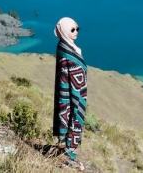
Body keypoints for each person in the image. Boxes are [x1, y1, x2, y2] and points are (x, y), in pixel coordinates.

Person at [52, 17, 87, 170]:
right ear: (63, 31)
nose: (76, 32)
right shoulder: (66, 51)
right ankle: (69, 156)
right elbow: (70, 74)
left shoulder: (66, 47)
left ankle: (69, 151)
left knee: (74, 118)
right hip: (73, 94)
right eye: (72, 30)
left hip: (76, 91)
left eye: (77, 28)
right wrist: (76, 97)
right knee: (73, 117)